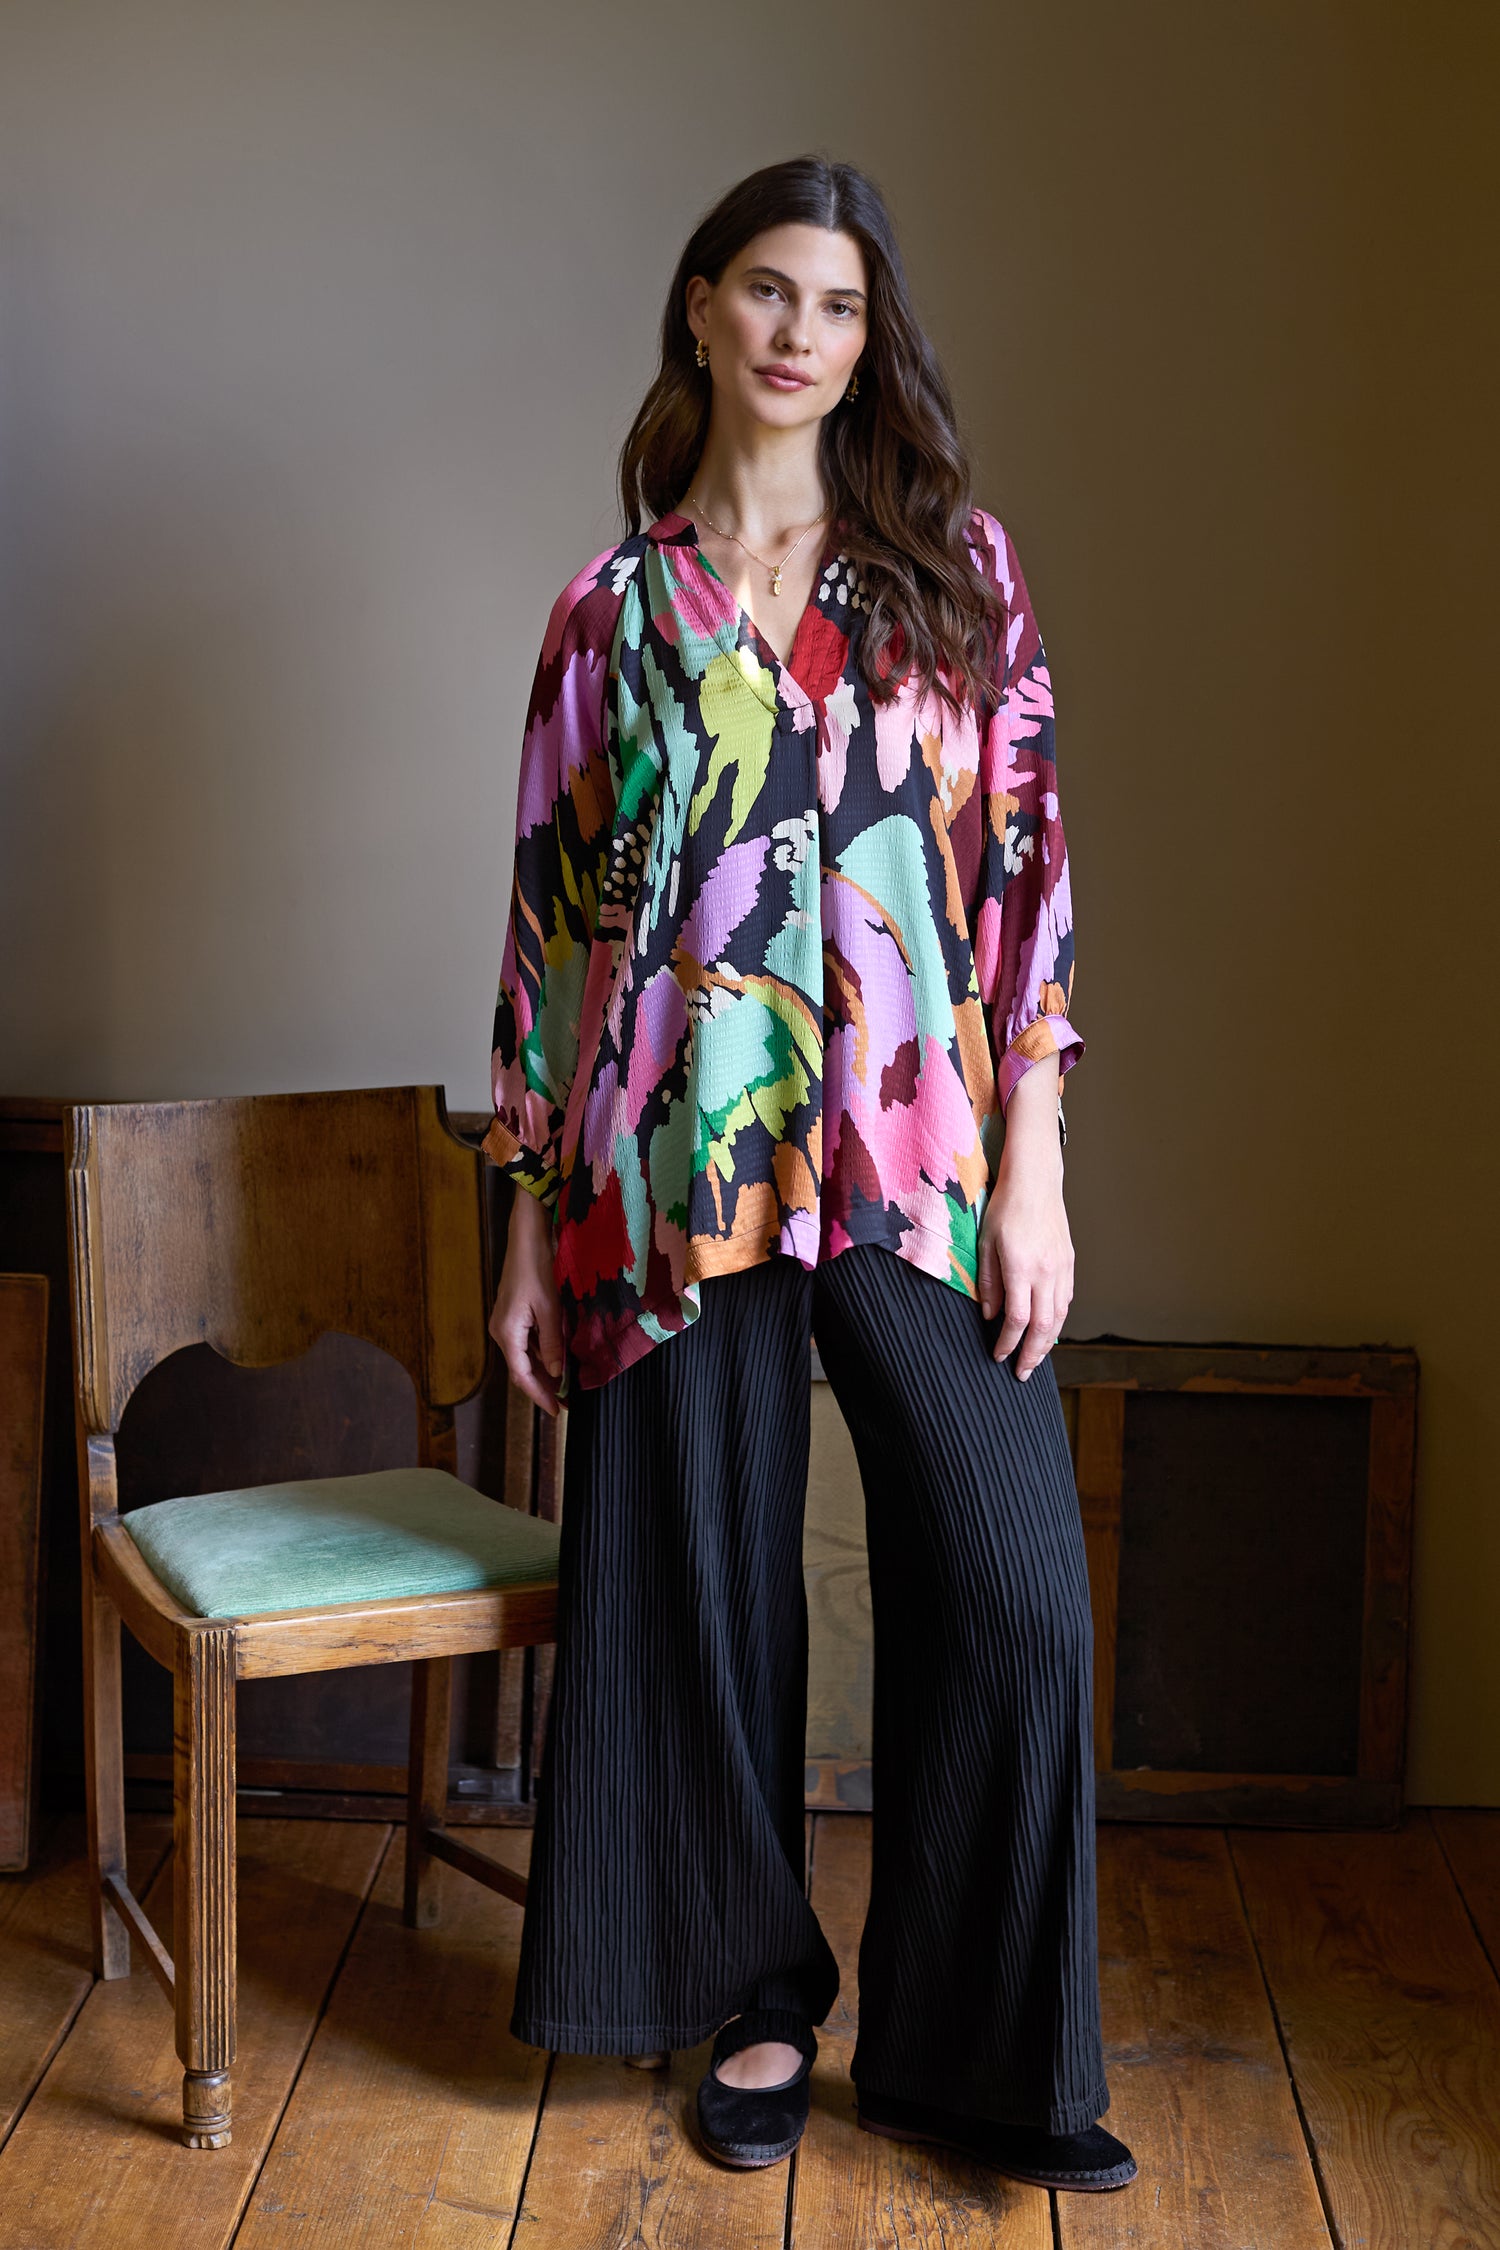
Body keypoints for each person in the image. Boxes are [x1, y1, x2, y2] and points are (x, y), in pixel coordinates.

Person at [482, 154, 1136, 2197]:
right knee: (694, 1602)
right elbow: (555, 924)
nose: (798, 333)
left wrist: (1033, 1171)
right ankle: (757, 1998)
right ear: (701, 311)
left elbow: (1024, 896)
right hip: (665, 1172)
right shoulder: (611, 610)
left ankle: (978, 2062)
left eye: (837, 306)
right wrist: (525, 1227)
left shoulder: (953, 572)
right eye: (765, 291)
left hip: (920, 1163)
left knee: (1018, 1593)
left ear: (868, 343)